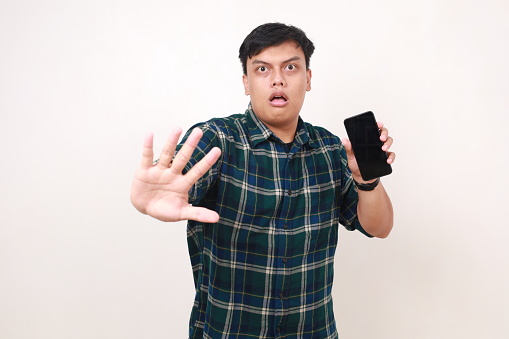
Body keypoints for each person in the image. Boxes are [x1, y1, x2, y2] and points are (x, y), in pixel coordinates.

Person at [131, 22, 395, 339]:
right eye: (262, 69)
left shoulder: (330, 149)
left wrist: (367, 181)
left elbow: (380, 227)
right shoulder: (218, 139)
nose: (278, 79)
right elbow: (175, 182)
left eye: (291, 67)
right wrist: (150, 198)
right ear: (246, 81)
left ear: (308, 78)